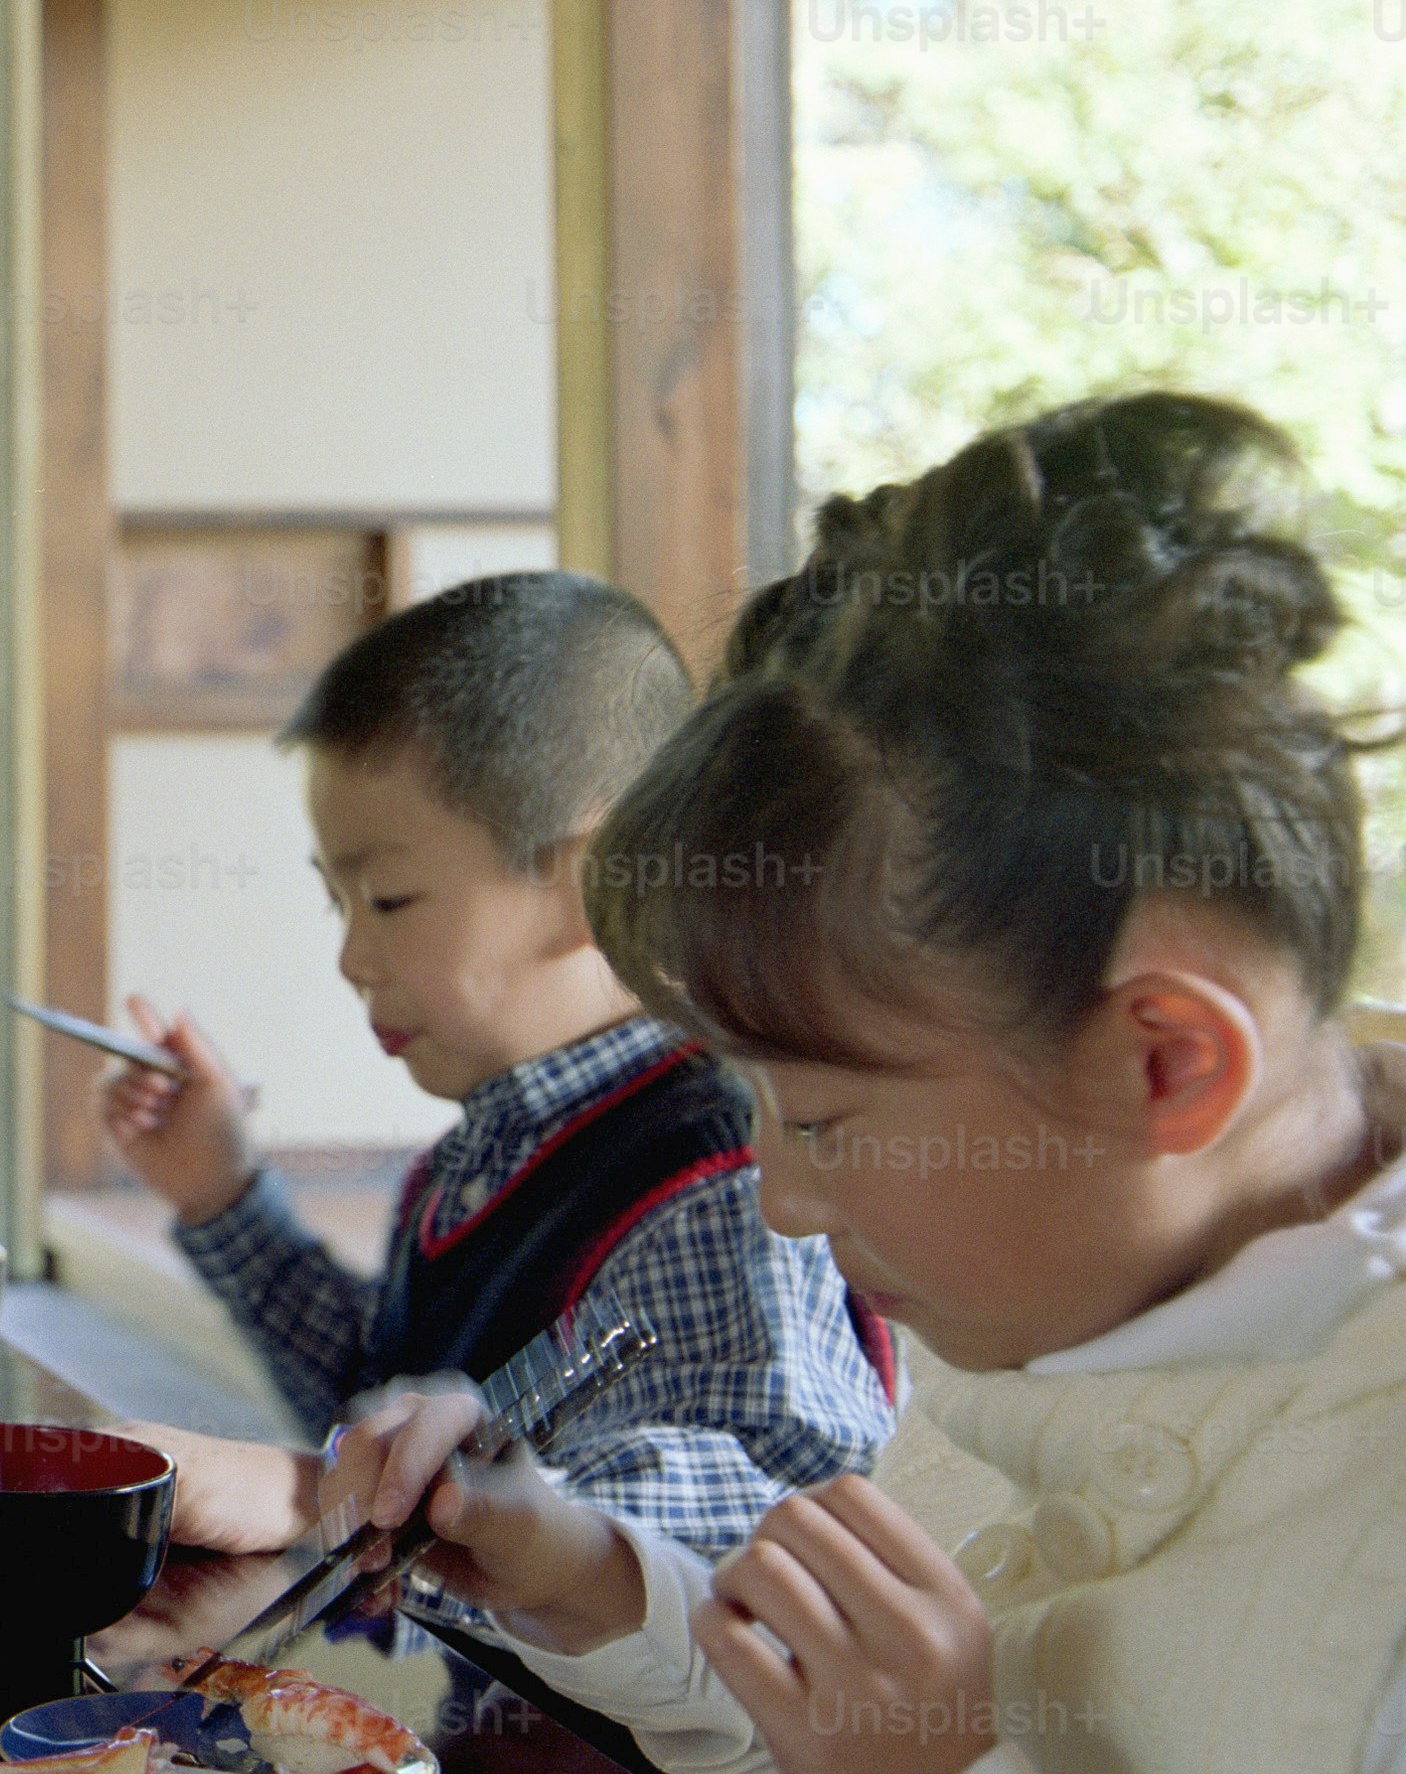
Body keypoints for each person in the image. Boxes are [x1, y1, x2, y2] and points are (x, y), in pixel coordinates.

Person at [325, 396, 1406, 1774]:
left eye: (818, 1118)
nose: (786, 1205)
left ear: (1165, 1056)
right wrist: (605, 1582)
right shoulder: (1054, 1302)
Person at [92, 570, 895, 1558]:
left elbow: (775, 1495)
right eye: (336, 904)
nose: (351, 958)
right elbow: (378, 1404)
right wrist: (222, 1194)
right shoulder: (483, 1155)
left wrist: (351, 1496)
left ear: (593, 880)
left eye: (387, 899)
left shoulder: (716, 1175)